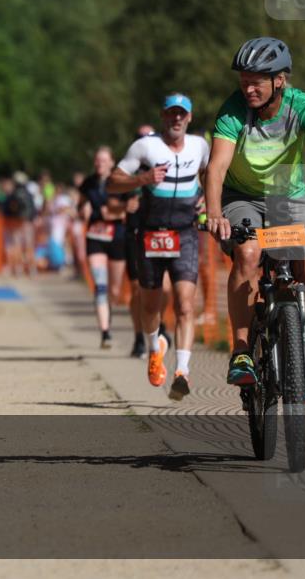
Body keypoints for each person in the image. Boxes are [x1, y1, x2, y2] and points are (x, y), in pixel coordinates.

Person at [204, 37, 305, 403]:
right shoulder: (232, 111)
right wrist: (214, 212)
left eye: (257, 80)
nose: (248, 87)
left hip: (287, 199)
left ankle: (302, 353)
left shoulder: (303, 105)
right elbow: (216, 168)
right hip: (241, 198)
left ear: (279, 79)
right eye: (244, 79)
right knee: (247, 254)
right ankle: (243, 349)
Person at [109, 95, 209, 399]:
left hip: (186, 232)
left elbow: (210, 174)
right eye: (171, 114)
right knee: (151, 305)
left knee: (185, 304)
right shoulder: (145, 147)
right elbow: (113, 183)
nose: (176, 119)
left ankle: (182, 370)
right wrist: (143, 178)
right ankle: (155, 350)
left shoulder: (199, 146)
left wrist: (208, 197)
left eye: (182, 114)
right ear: (163, 116)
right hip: (151, 233)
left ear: (189, 118)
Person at [123, 125, 172, 359]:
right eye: (141, 139)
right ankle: (139, 337)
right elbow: (110, 200)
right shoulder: (129, 170)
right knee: (137, 290)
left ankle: (158, 326)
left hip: (166, 234)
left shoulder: (168, 166)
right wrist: (124, 206)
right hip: (136, 235)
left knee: (166, 288)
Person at [78, 147, 129, 348]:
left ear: (111, 162)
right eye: (97, 160)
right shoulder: (88, 183)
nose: (99, 163)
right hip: (95, 237)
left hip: (117, 236)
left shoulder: (121, 182)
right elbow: (80, 205)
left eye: (103, 160)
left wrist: (113, 214)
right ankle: (105, 332)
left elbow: (130, 210)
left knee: (114, 291)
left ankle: (109, 308)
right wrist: (83, 210)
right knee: (100, 286)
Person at [4, 171, 38, 277]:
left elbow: (8, 209)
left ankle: (19, 269)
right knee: (28, 246)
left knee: (18, 246)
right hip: (27, 222)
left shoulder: (13, 195)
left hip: (17, 222)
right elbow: (33, 210)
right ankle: (31, 269)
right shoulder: (29, 194)